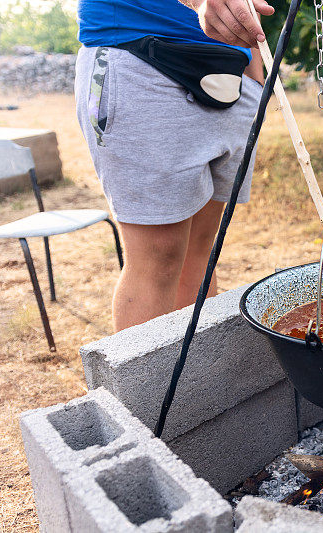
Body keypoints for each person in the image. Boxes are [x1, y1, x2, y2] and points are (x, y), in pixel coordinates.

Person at [74, 0, 274, 331]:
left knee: (200, 248)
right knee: (159, 256)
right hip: (139, 52)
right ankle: (149, 384)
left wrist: (254, 76)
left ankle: (197, 377)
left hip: (232, 70)